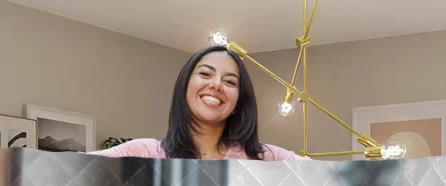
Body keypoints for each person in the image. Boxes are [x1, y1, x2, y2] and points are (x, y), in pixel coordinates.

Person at [93, 45, 303, 161]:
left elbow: (329, 179)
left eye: (230, 81)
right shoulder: (142, 153)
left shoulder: (266, 159)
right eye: (205, 74)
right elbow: (68, 173)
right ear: (185, 86)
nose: (216, 84)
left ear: (239, 102)